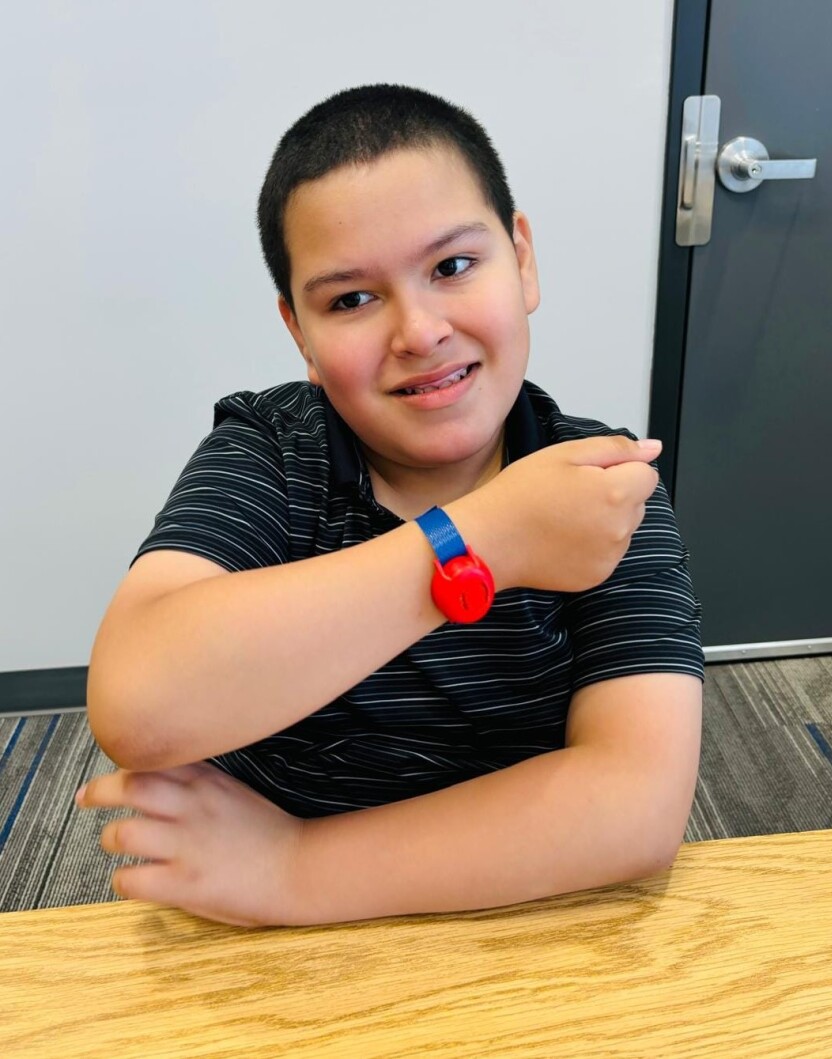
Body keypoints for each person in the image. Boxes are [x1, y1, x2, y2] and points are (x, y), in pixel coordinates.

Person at [76, 83, 704, 928]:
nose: (418, 331)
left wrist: (295, 869)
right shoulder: (271, 446)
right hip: (259, 947)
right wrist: (480, 538)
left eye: (452, 266)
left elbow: (635, 805)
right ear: (298, 331)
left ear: (522, 259)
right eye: (351, 300)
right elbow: (139, 704)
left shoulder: (601, 486)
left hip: (519, 912)